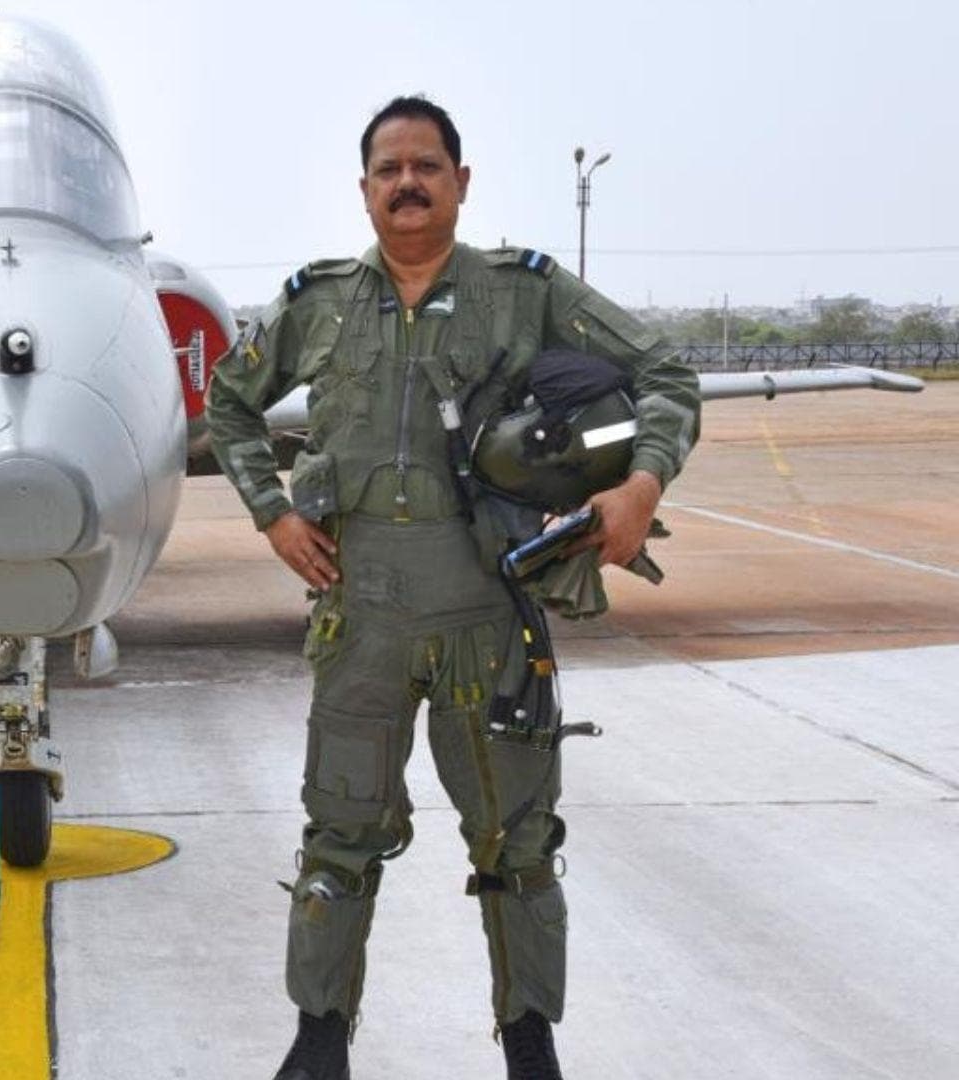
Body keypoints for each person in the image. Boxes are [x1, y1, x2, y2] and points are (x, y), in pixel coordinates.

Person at [206, 97, 701, 1080]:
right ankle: (316, 1043)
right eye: (388, 169)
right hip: (364, 621)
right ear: (365, 190)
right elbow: (228, 399)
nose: (407, 183)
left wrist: (640, 484)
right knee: (338, 839)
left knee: (517, 845)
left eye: (426, 165)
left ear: (461, 181)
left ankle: (529, 1043)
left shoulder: (524, 293)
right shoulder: (319, 302)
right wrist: (273, 513)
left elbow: (666, 375)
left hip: (489, 614)